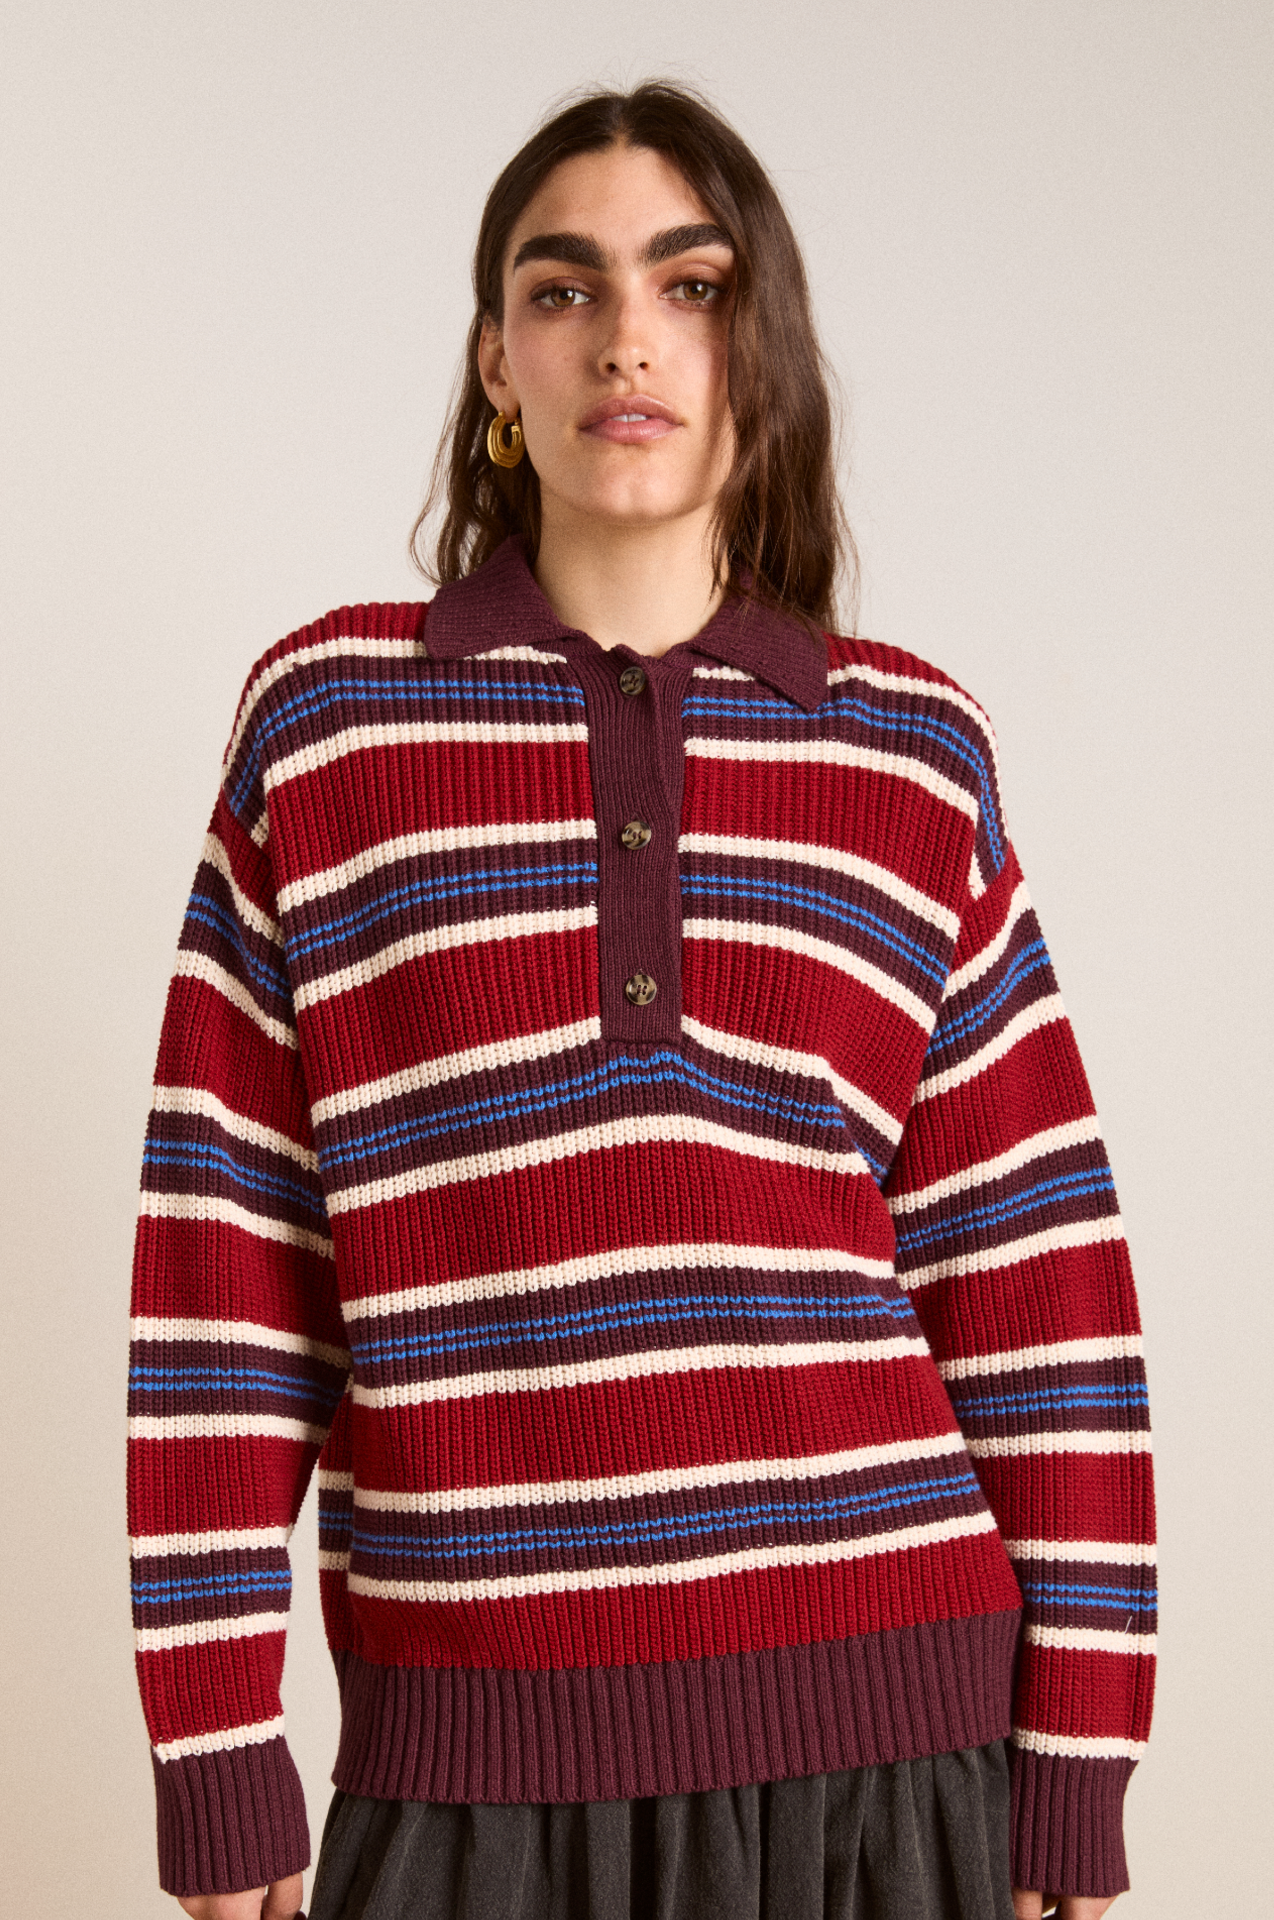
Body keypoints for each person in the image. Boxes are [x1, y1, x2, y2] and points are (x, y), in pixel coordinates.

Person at [127, 81, 1155, 1920]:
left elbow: (1036, 1274)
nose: (628, 339)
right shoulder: (328, 730)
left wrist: (1081, 1747)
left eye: (692, 287)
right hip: (471, 1763)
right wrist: (215, 1743)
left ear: (762, 349)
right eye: (566, 288)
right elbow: (228, 1264)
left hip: (891, 1754)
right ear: (496, 362)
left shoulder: (910, 753)